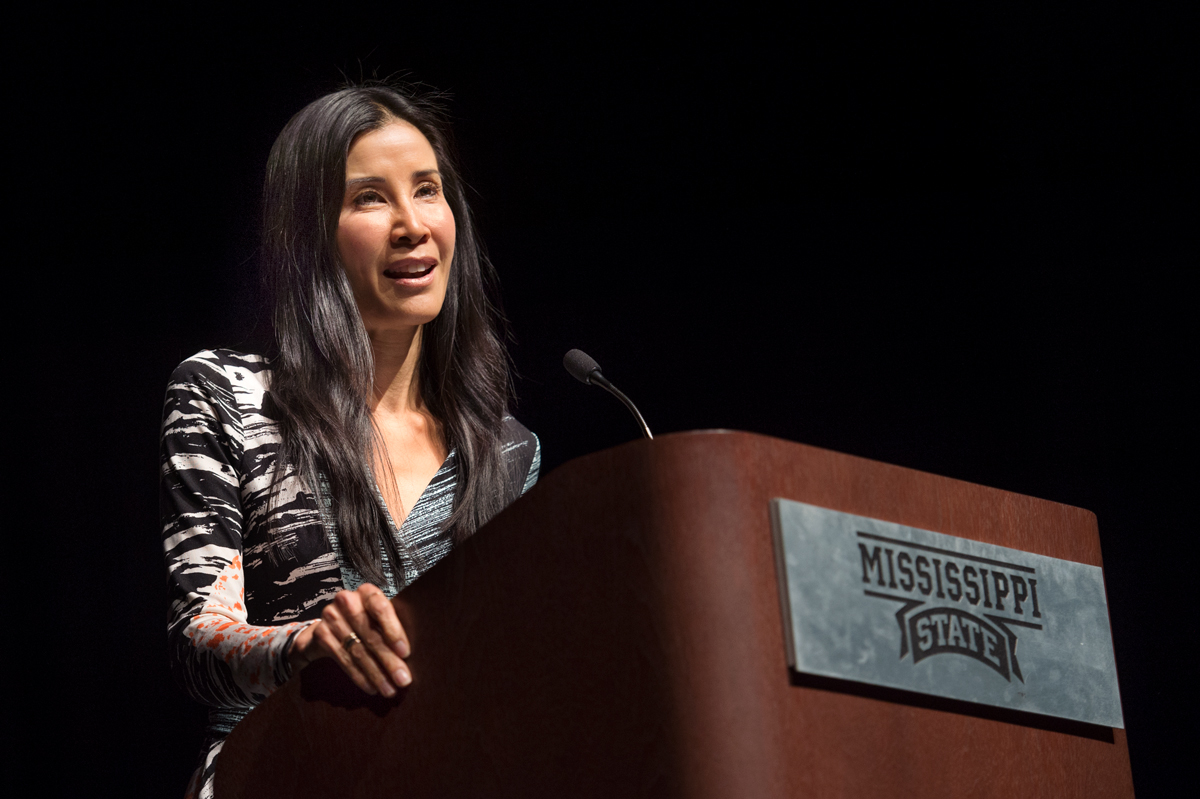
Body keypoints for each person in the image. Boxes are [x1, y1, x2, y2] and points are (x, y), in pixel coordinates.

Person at [159, 84, 540, 799]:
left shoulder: (508, 453)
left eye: (427, 190)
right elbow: (198, 643)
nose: (412, 224)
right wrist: (311, 642)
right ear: (309, 235)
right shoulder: (227, 396)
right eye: (370, 198)